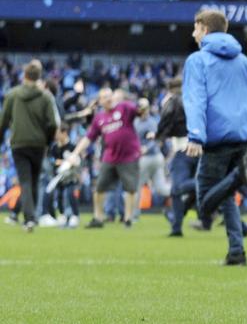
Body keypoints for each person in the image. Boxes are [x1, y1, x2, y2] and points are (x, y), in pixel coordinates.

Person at [183, 9, 247, 266]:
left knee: (205, 204)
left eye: (195, 28)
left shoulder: (197, 61)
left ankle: (238, 177)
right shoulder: (244, 61)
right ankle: (237, 251)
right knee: (227, 197)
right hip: (244, 137)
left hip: (216, 138)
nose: (193, 33)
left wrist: (195, 135)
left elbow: (195, 99)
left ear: (205, 30)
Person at [68, 87, 142, 228]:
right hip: (110, 157)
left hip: (129, 156)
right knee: (99, 188)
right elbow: (88, 138)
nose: (108, 99)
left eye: (110, 95)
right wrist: (75, 153)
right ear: (100, 101)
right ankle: (98, 217)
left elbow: (140, 111)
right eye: (105, 97)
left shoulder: (124, 107)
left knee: (130, 188)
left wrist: (144, 105)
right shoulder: (99, 118)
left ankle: (127, 219)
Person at [0, 60, 59, 232]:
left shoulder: (13, 94)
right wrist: (47, 141)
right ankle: (31, 218)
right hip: (38, 144)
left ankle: (29, 219)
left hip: (19, 143)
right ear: (39, 77)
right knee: (33, 180)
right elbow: (52, 123)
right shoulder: (46, 97)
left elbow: (3, 121)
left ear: (24, 75)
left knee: (25, 180)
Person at [155, 76, 196, 237]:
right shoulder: (195, 98)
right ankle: (242, 226)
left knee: (177, 188)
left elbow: (167, 118)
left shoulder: (173, 100)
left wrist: (159, 135)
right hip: (202, 146)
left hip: (183, 148)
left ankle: (176, 227)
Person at [135, 98, 170, 214]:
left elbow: (157, 139)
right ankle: (181, 193)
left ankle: (132, 217)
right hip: (154, 157)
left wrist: (146, 148)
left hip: (149, 157)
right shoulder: (137, 122)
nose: (143, 110)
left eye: (144, 108)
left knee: (135, 186)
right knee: (161, 188)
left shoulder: (151, 122)